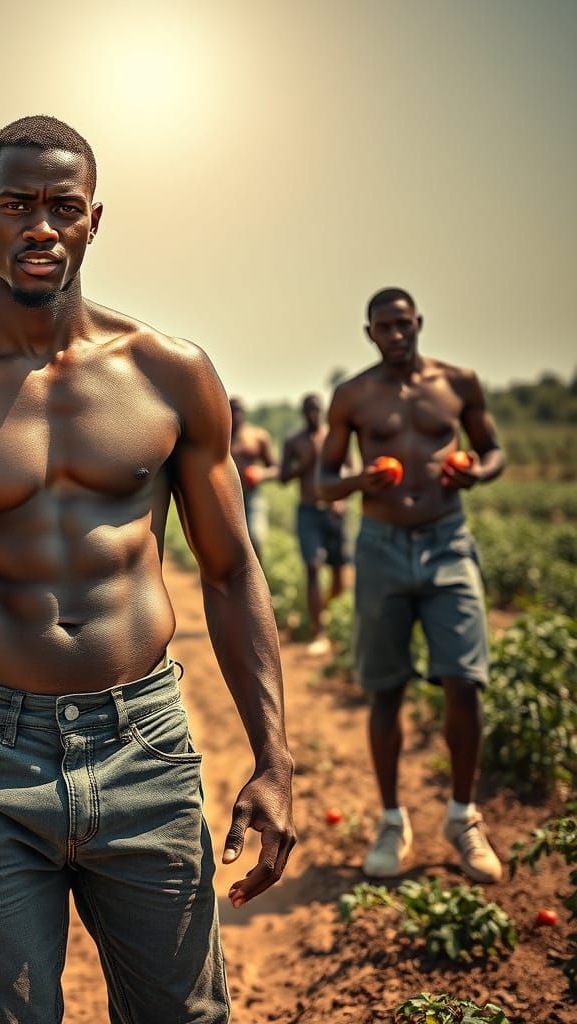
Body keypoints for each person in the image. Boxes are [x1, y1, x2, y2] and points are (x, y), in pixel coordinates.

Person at [0, 115, 295, 1024]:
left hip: (145, 746)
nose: (40, 226)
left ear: (93, 220)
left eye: (63, 207)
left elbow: (232, 572)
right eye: (17, 205)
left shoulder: (170, 374)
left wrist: (274, 759)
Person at [318, 287, 505, 883]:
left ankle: (463, 816)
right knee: (386, 689)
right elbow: (323, 480)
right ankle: (392, 821)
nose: (396, 334)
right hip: (380, 547)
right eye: (384, 327)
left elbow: (493, 451)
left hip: (448, 541)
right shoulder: (353, 396)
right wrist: (359, 483)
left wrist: (476, 472)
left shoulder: (458, 383)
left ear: (418, 322)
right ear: (369, 333)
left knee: (464, 681)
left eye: (403, 324)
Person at [279, 393, 349, 655]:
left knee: (340, 572)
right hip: (308, 511)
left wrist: (341, 498)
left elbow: (351, 468)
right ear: (303, 413)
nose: (313, 415)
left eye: (316, 410)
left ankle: (329, 613)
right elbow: (283, 476)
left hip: (334, 513)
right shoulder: (294, 442)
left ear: (323, 411)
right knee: (313, 564)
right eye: (308, 410)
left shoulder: (334, 437)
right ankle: (318, 631)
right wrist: (304, 464)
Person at [229, 396, 278, 562]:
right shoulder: (219, 437)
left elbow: (276, 469)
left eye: (238, 410)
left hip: (252, 495)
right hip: (227, 496)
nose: (235, 414)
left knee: (255, 537)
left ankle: (258, 573)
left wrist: (262, 474)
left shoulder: (258, 436)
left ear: (244, 412)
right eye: (232, 410)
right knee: (228, 545)